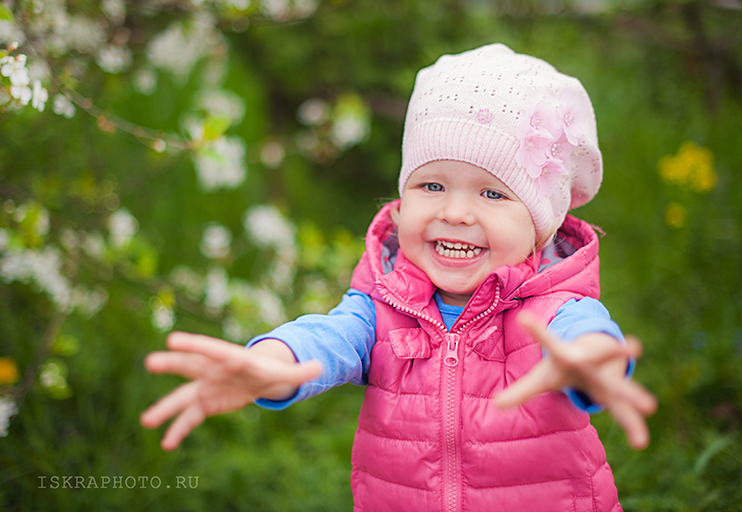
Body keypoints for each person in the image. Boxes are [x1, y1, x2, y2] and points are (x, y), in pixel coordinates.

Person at [141, 43, 657, 511]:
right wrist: (272, 363)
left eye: (493, 193)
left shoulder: (553, 308)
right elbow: (330, 336)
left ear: (541, 223)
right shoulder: (384, 302)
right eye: (432, 184)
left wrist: (591, 364)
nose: (455, 212)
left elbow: (586, 338)